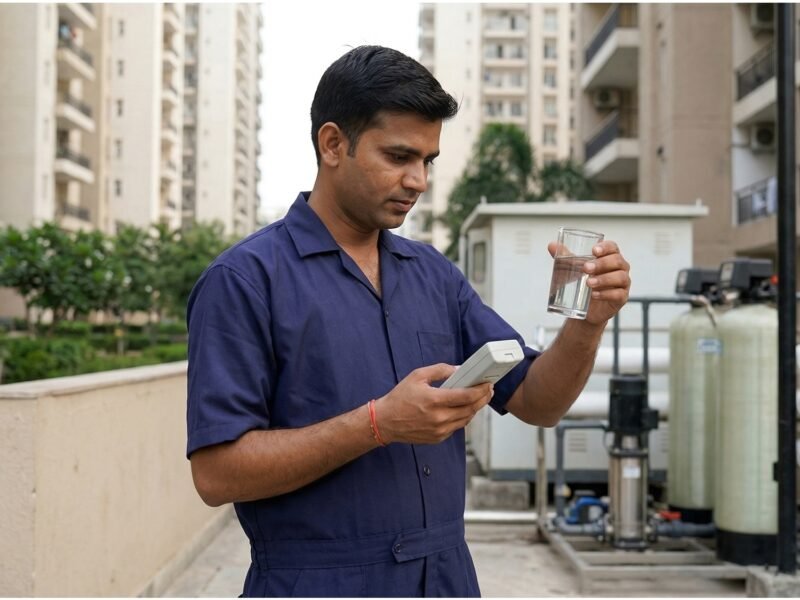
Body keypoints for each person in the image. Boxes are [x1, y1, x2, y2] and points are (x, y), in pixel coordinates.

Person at [186, 45, 630, 597]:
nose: (418, 180)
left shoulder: (433, 275)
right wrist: (380, 423)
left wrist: (588, 321)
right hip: (314, 583)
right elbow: (217, 473)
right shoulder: (246, 281)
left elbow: (538, 402)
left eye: (427, 161)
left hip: (444, 578)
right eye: (399, 156)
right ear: (332, 144)